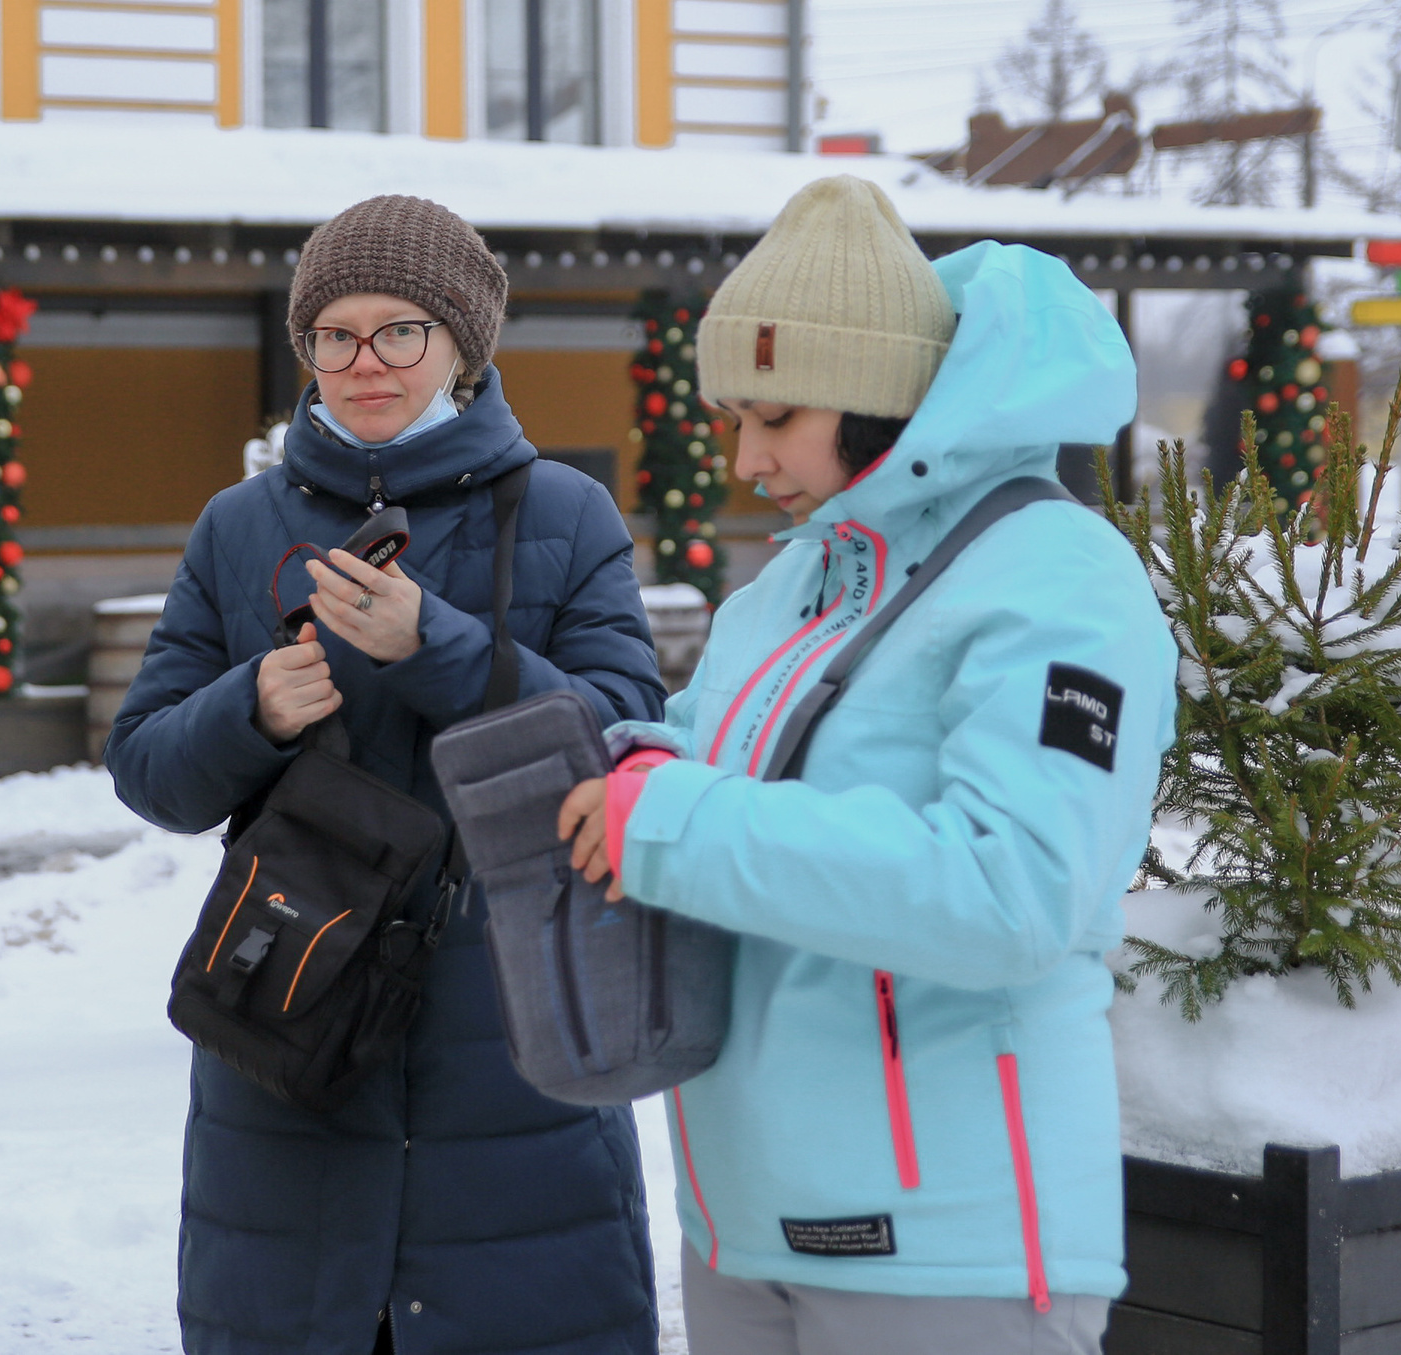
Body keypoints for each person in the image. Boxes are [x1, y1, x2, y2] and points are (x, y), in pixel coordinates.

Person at [558, 176, 1176, 1355]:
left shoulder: (1056, 578)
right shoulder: (794, 583)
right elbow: (710, 768)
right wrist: (621, 770)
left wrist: (675, 822)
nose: (744, 458)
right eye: (731, 415)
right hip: (738, 1222)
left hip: (949, 1239)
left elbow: (1013, 893)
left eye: (775, 416)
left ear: (875, 399)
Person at [108, 194, 672, 1355]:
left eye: (400, 331)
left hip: (515, 1042)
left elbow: (626, 738)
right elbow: (148, 769)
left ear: (463, 343)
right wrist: (249, 708)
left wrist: (441, 650)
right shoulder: (236, 525)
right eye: (334, 335)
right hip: (287, 1035)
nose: (364, 363)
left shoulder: (565, 515)